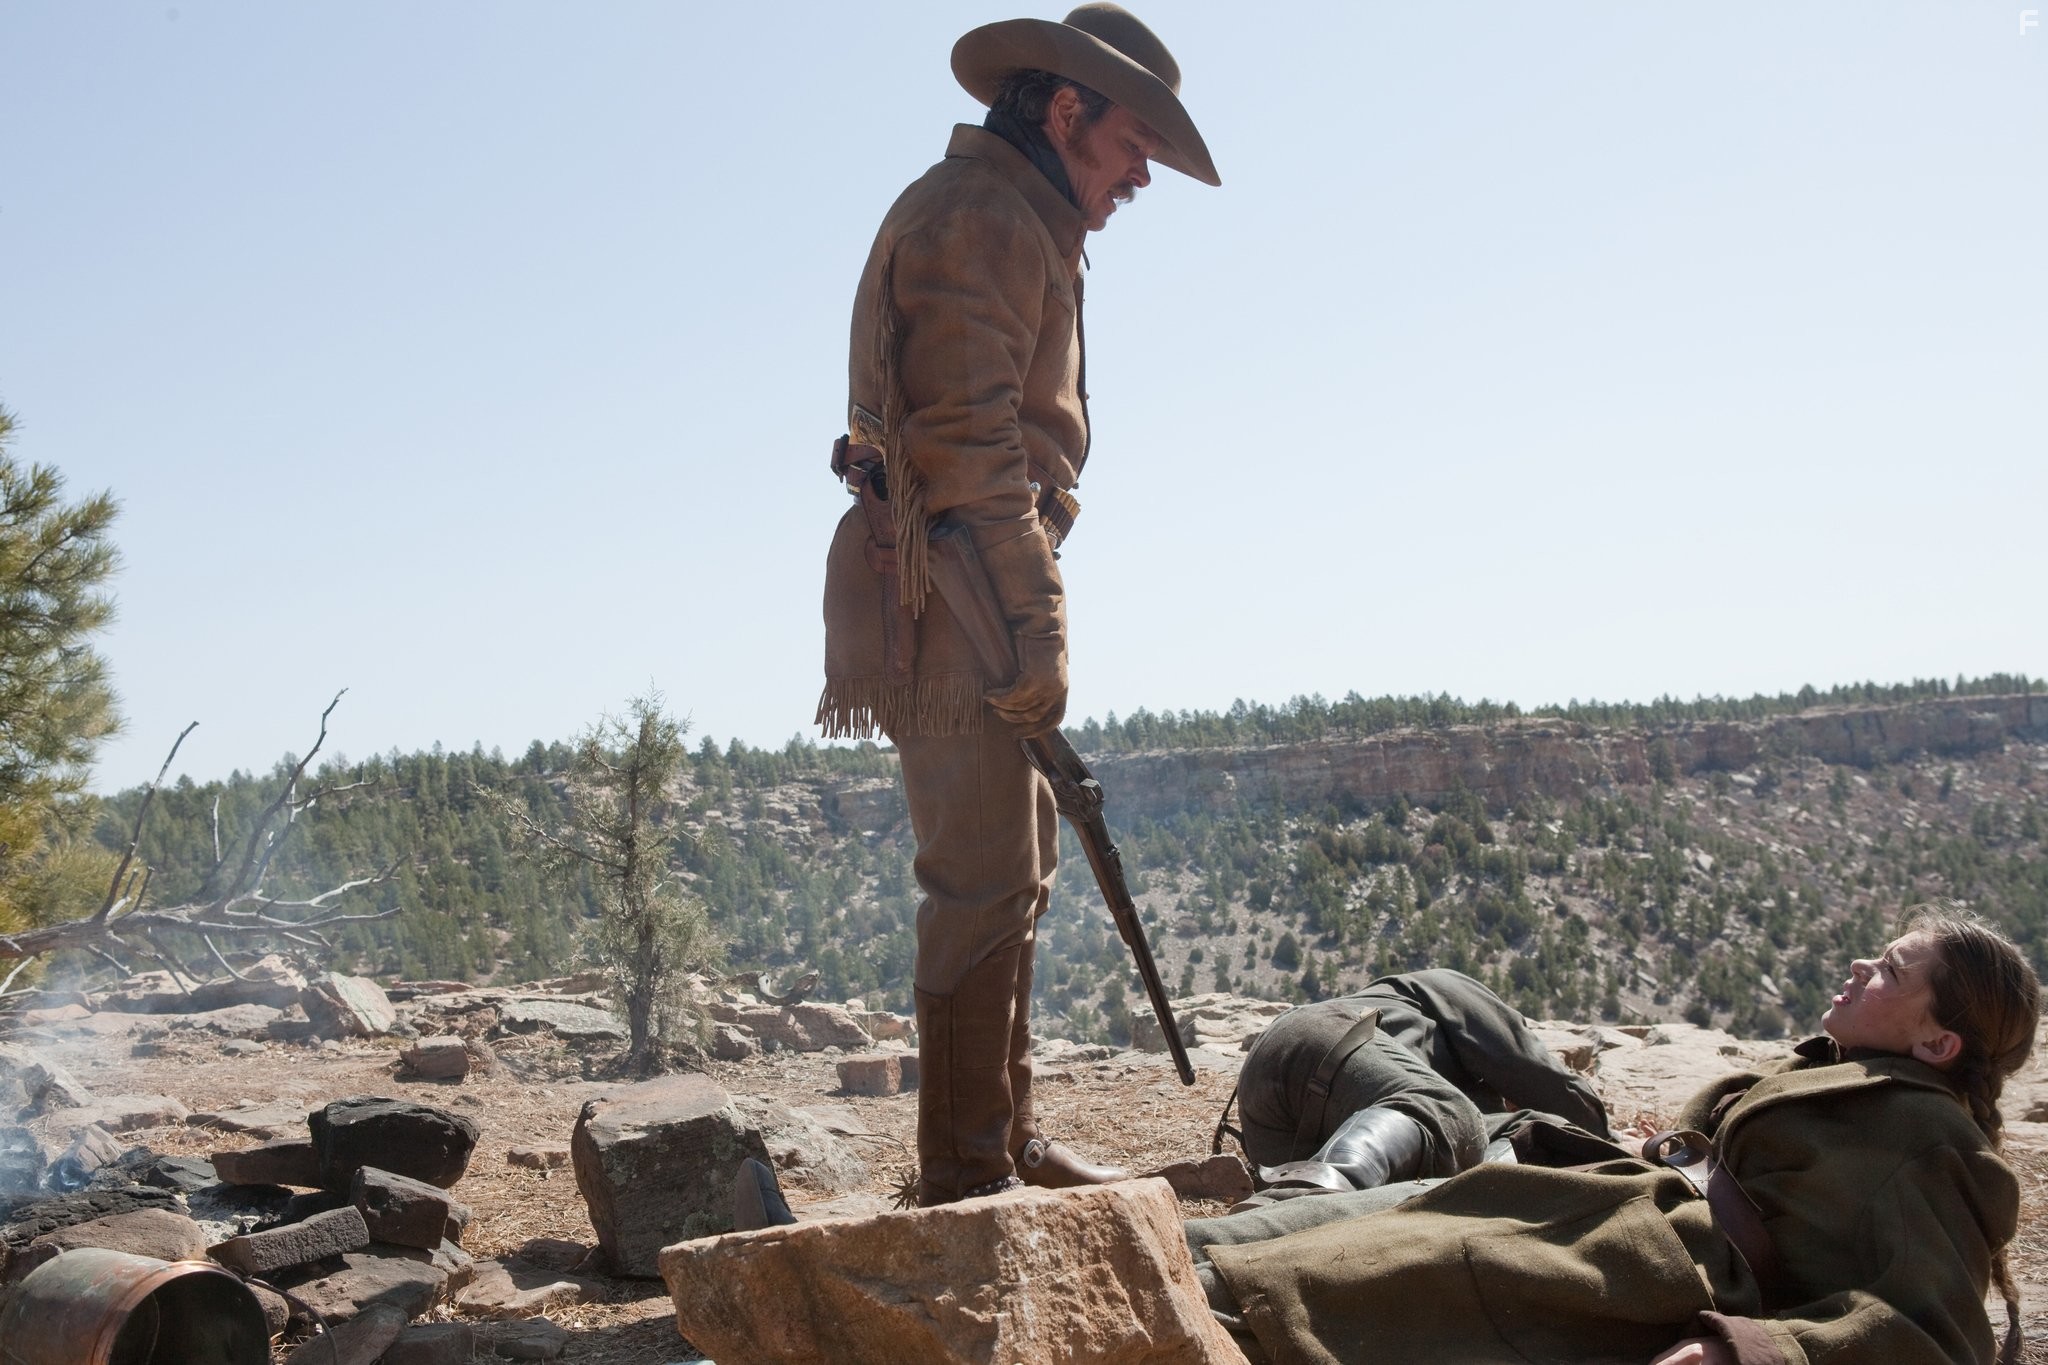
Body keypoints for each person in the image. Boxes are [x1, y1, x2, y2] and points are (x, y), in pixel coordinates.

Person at [812, 6, 1219, 1208]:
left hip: (971, 570)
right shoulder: (982, 216)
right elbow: (969, 443)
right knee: (981, 876)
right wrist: (1037, 624)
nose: (1141, 172)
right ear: (1063, 111)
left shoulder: (1014, 215)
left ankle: (1002, 1140)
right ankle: (963, 1176)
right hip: (958, 582)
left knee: (1014, 865)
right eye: (1131, 141)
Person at [1187, 907, 2040, 1365]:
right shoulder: (1846, 1078)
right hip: (1586, 1211)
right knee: (1242, 1241)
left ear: (1939, 1042)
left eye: (1891, 969)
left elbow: (1935, 1338)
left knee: (1294, 1288)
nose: (1861, 967)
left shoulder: (1934, 1138)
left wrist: (1749, 1349)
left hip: (1633, 1265)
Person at [1223, 968, 1609, 1201]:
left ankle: (1296, 1211)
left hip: (1285, 1131)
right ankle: (1289, 1202)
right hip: (1318, 1040)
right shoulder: (1440, 987)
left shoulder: (1450, 1116)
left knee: (1539, 1133)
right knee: (1447, 1110)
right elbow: (1545, 1079)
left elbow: (1542, 1119)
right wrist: (1610, 1142)